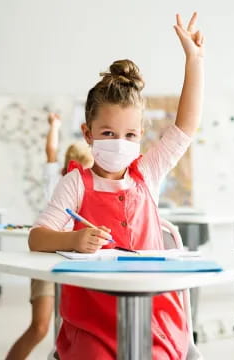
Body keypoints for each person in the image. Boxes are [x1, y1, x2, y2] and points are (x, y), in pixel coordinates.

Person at [28, 12, 204, 359]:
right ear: (88, 133)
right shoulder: (75, 182)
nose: (119, 142)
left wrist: (194, 60)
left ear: (141, 136)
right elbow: (37, 237)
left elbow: (186, 126)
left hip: (155, 315)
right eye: (108, 134)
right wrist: (74, 240)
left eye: (129, 135)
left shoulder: (148, 173)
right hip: (92, 321)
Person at [6, 113, 93, 360]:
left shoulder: (91, 186)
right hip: (45, 260)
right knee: (40, 327)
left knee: (74, 328)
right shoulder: (55, 179)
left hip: (74, 261)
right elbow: (51, 150)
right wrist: (54, 126)